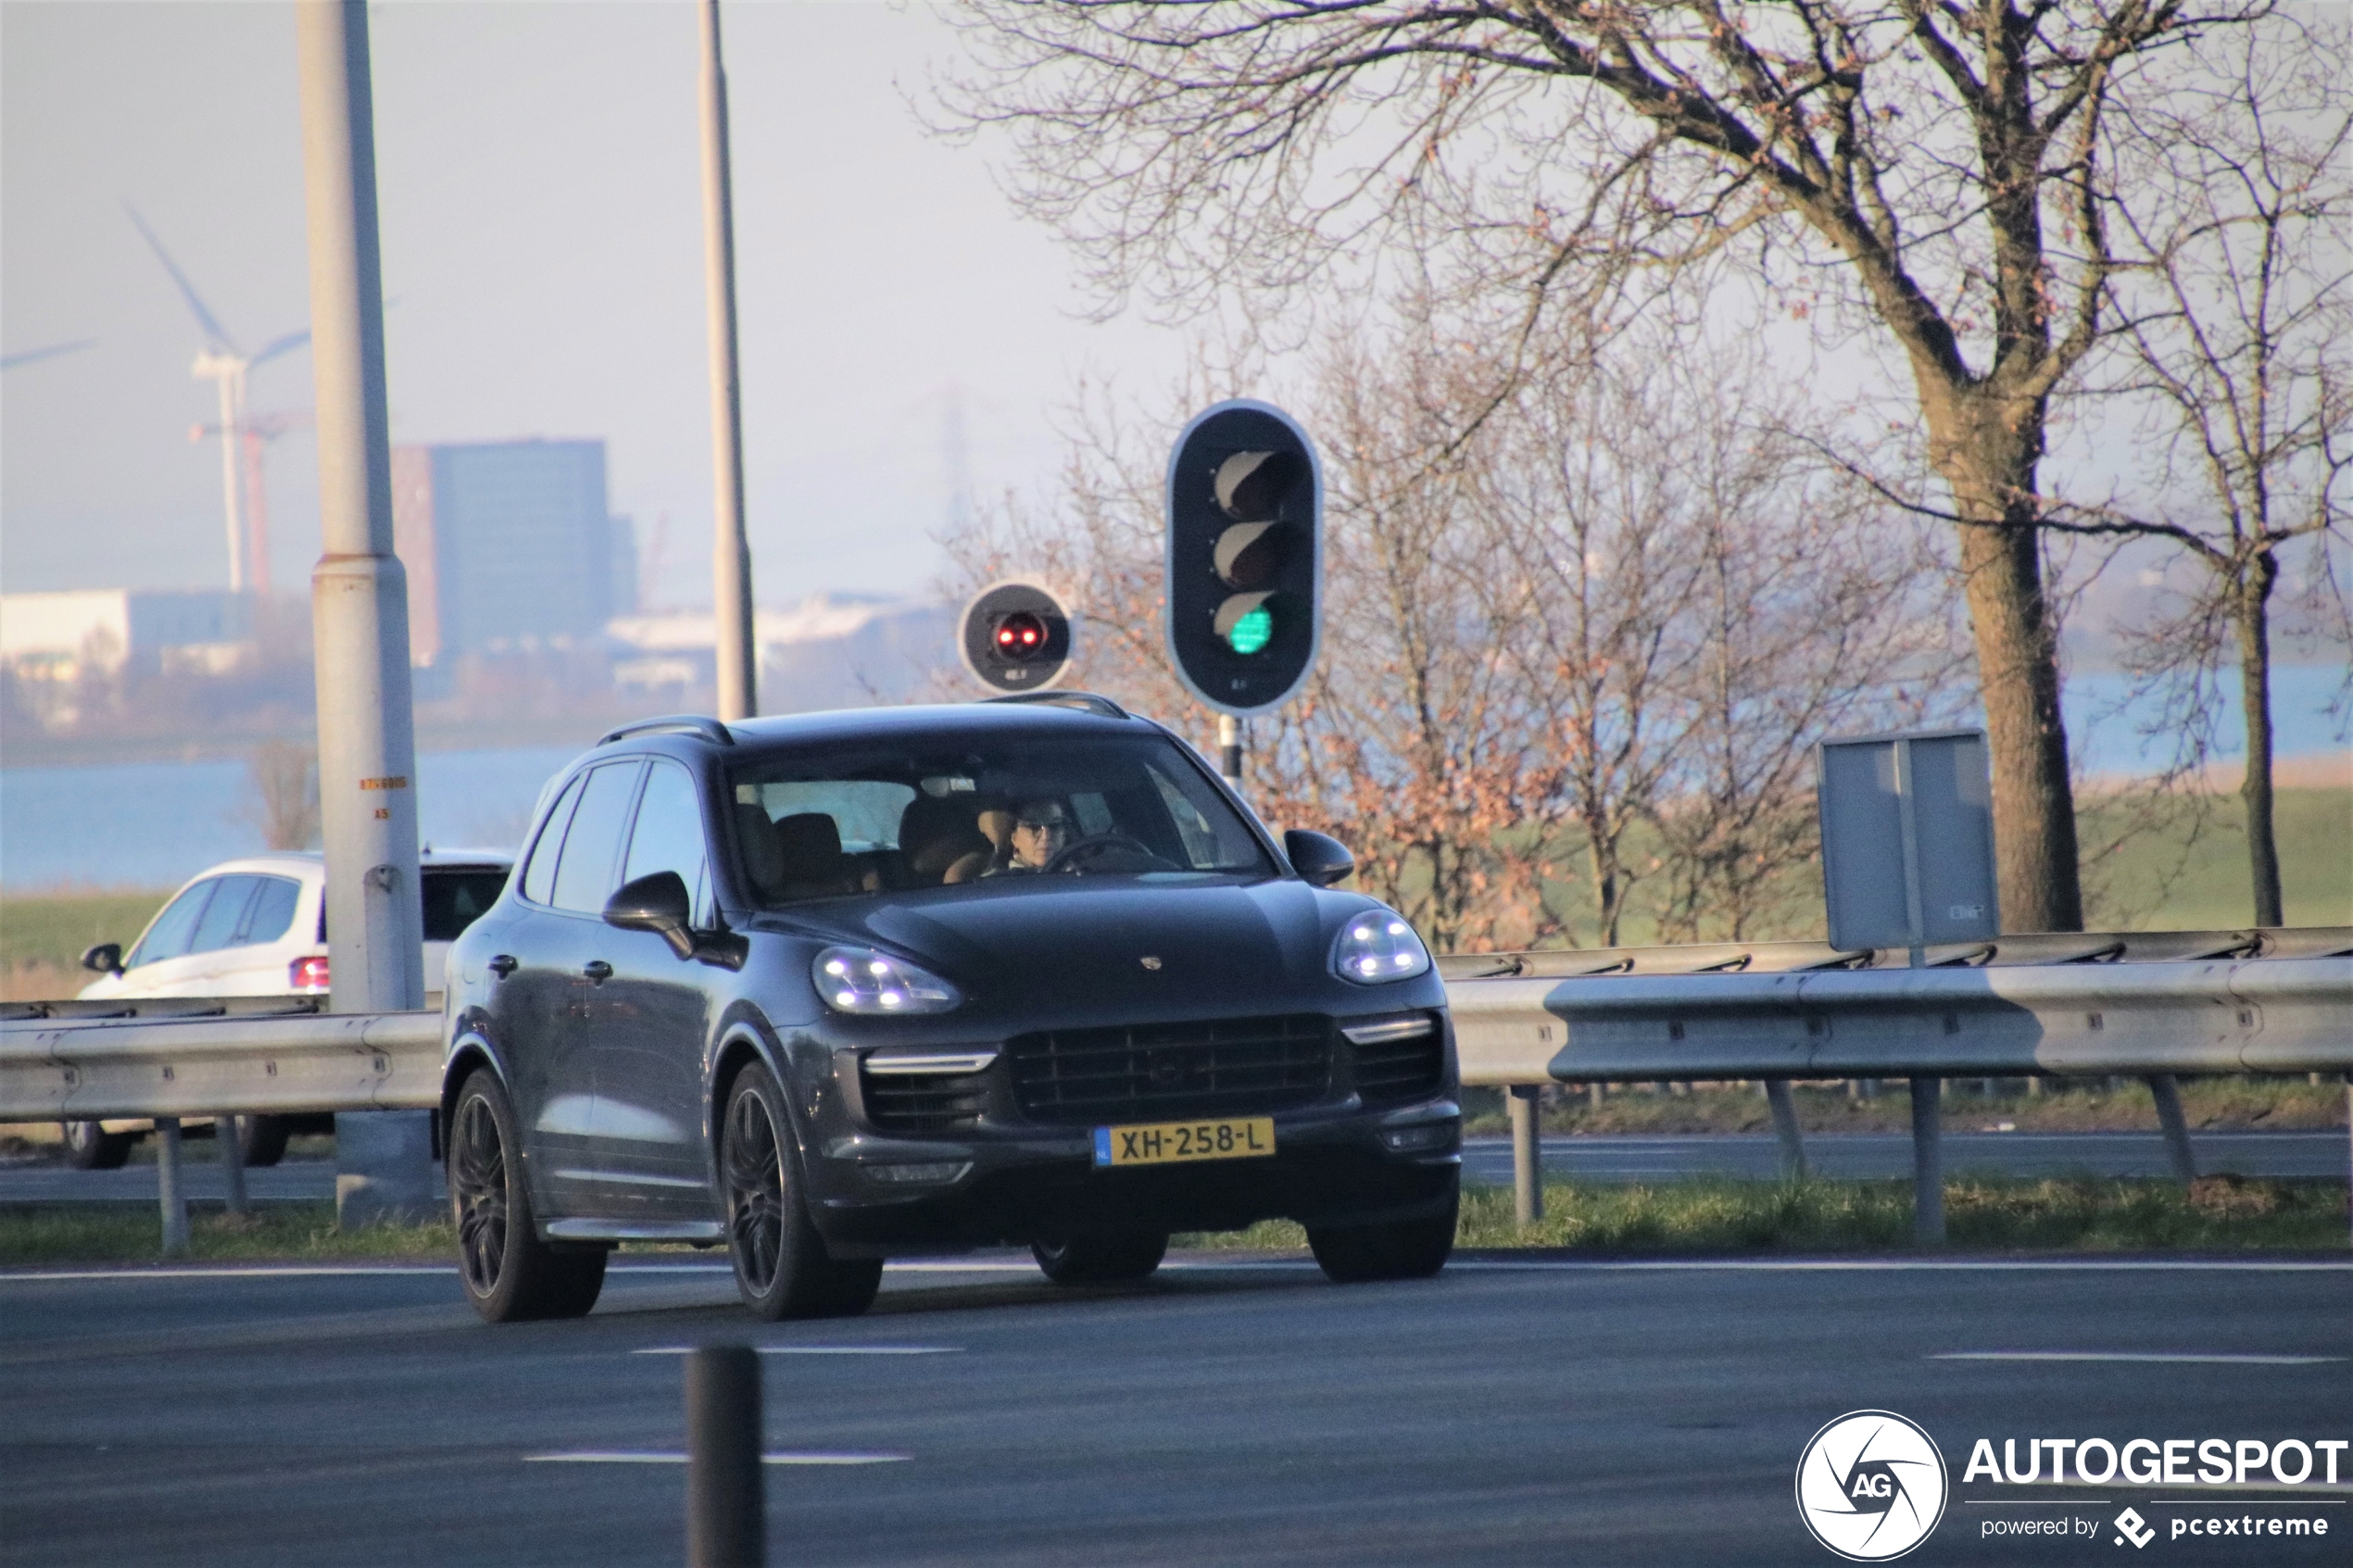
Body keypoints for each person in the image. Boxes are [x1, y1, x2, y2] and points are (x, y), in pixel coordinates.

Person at [988, 799, 1072, 875]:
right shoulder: (994, 884)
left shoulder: (1081, 875)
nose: (1046, 836)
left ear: (1064, 834)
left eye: (1055, 826)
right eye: (1034, 827)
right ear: (1014, 838)